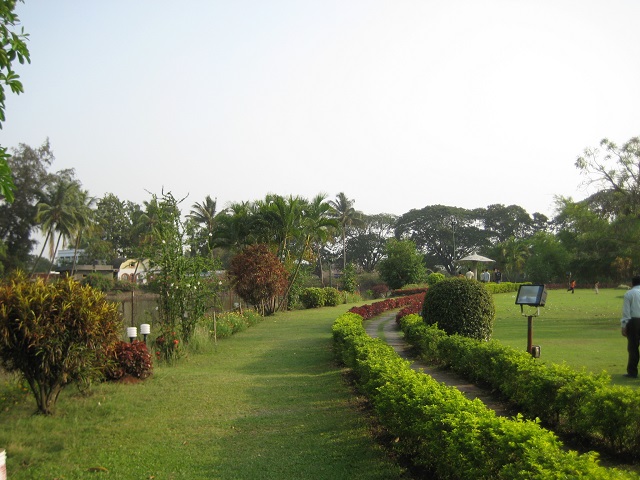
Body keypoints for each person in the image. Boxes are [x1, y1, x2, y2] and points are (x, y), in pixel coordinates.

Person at [621, 275, 640, 378]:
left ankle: (632, 372)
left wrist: (624, 325)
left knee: (633, 347)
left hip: (634, 321)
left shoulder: (629, 293)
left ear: (632, 283)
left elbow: (626, 312)